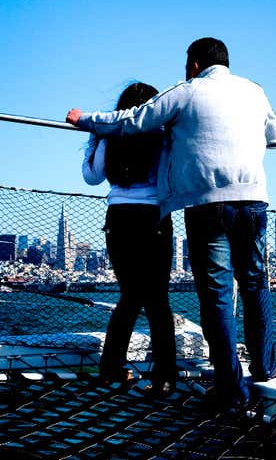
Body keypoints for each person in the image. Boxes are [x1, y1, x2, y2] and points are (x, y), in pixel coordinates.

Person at [66, 37, 276, 410]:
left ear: (195, 65)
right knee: (252, 283)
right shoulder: (255, 92)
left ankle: (227, 385)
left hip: (189, 207)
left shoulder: (185, 93)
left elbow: (126, 131)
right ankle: (262, 365)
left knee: (205, 295)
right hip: (241, 201)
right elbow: (274, 136)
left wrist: (88, 122)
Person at [82, 82, 177, 396]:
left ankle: (111, 370)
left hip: (119, 217)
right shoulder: (161, 136)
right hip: (153, 216)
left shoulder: (110, 135)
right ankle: (164, 378)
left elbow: (92, 177)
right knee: (157, 301)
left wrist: (95, 137)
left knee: (129, 296)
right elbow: (169, 177)